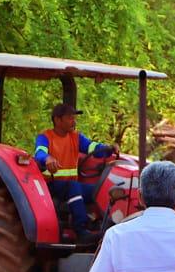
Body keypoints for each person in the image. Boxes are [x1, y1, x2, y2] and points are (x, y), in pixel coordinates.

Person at [33, 103, 119, 244]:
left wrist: (108, 149)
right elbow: (39, 152)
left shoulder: (75, 137)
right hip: (51, 185)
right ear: (57, 120)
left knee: (102, 189)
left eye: (74, 118)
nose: (74, 121)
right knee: (73, 186)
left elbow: (92, 147)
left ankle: (106, 226)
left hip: (72, 186)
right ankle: (81, 230)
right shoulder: (45, 137)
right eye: (70, 118)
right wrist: (47, 158)